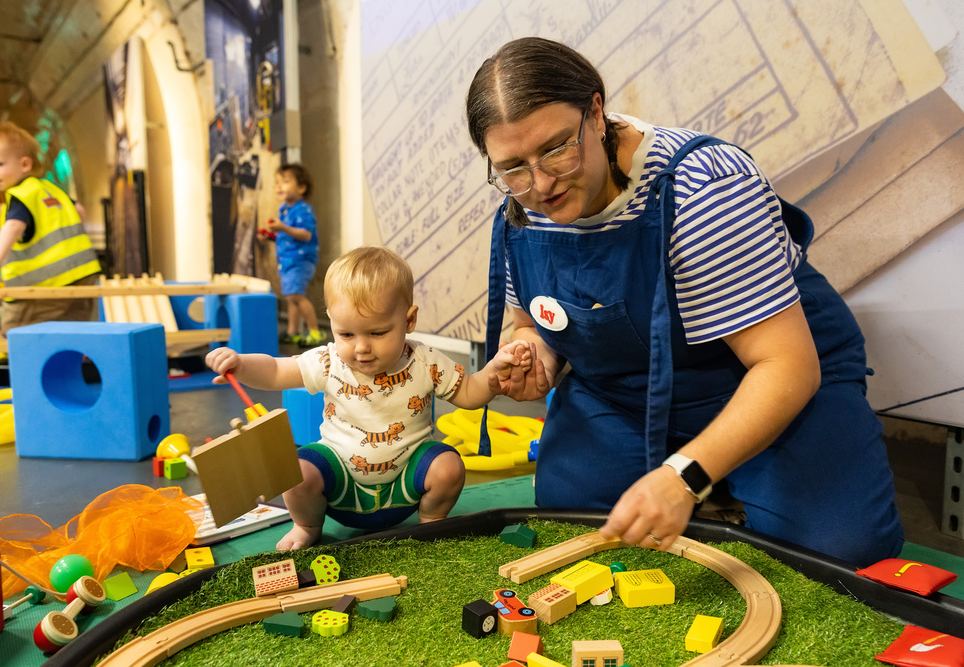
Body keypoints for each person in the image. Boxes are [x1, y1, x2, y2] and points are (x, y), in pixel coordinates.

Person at [464, 37, 903, 565]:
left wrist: (685, 475)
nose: (540, 184)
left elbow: (786, 364)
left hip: (764, 378)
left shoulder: (702, 187)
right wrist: (535, 350)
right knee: (571, 516)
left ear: (597, 112)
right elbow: (528, 323)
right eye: (513, 167)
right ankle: (717, 483)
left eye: (557, 148)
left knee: (842, 551)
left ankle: (720, 478)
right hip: (623, 393)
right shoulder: (521, 204)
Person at [206, 246, 531, 550]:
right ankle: (306, 525)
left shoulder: (426, 361)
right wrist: (241, 363)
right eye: (346, 334)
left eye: (377, 333)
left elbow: (469, 393)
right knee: (297, 471)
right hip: (340, 488)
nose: (361, 347)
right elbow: (277, 371)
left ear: (408, 321)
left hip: (407, 486)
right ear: (332, 322)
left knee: (448, 466)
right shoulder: (329, 361)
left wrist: (492, 376)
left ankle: (432, 522)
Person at [0, 121, 101, 333]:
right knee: (74, 331)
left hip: (44, 284)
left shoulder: (21, 196)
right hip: (83, 274)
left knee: (16, 329)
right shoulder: (51, 188)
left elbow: (13, 225)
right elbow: (79, 211)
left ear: (25, 164)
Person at [267, 162, 325, 347]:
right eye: (277, 182)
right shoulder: (284, 209)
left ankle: (314, 331)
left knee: (296, 296)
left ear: (301, 187)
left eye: (285, 181)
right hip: (288, 260)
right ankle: (293, 331)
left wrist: (282, 227)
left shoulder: (303, 209)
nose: (279, 186)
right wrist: (269, 236)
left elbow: (305, 234)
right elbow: (286, 236)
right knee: (291, 296)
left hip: (300, 260)